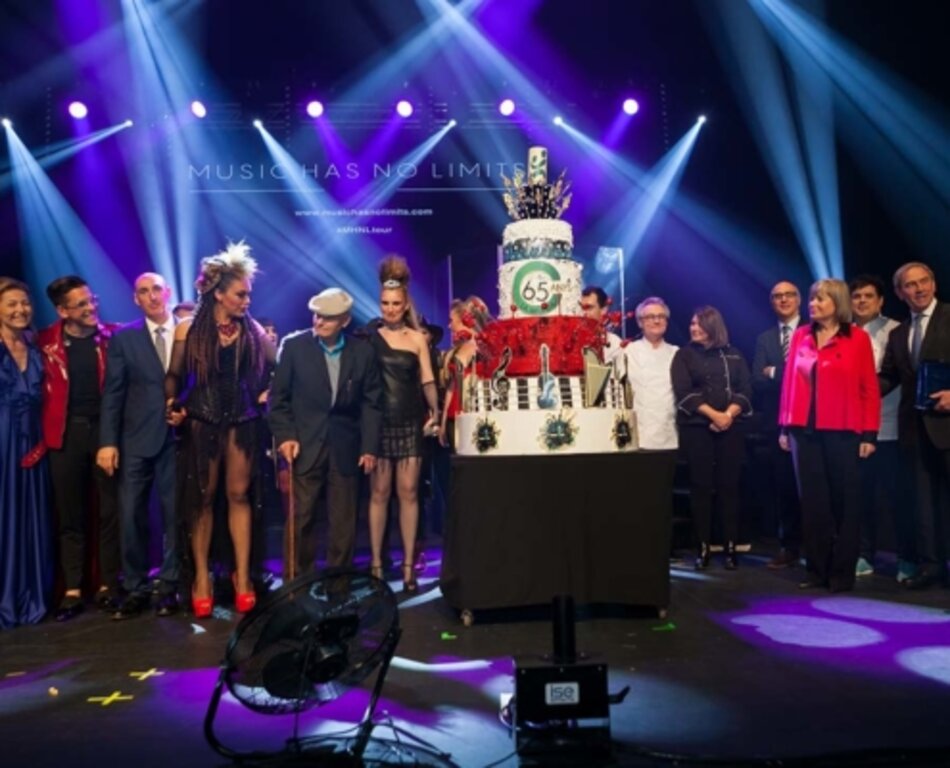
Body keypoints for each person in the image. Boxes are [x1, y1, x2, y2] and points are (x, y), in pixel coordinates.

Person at [165, 243, 275, 617]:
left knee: (239, 495)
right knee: (203, 498)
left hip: (242, 421)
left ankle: (242, 577)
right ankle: (201, 578)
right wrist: (172, 404)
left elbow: (277, 369)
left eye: (248, 294)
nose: (247, 300)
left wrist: (269, 391)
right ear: (219, 294)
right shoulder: (189, 330)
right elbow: (174, 375)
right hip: (202, 420)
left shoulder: (252, 330)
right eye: (241, 294)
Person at [268, 288, 382, 578]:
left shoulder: (362, 352)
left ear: (345, 320)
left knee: (343, 522)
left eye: (327, 318)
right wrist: (286, 436)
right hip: (304, 443)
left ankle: (338, 585)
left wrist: (369, 447)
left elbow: (371, 403)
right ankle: (298, 585)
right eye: (317, 315)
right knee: (301, 517)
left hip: (345, 446)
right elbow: (278, 399)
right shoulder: (294, 347)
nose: (319, 321)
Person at [779, 279, 880, 593]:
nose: (813, 304)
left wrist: (869, 434)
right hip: (803, 431)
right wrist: (784, 425)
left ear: (837, 303)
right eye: (812, 299)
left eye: (820, 299)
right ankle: (816, 570)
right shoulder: (801, 335)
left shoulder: (858, 338)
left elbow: (868, 388)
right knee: (812, 503)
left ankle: (841, 573)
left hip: (842, 430)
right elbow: (789, 383)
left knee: (844, 504)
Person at [38, 275, 121, 621]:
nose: (91, 308)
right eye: (81, 304)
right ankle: (72, 588)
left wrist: (111, 438)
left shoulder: (112, 338)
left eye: (92, 300)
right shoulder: (44, 342)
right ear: (62, 311)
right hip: (65, 434)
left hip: (105, 432)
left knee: (109, 511)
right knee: (70, 514)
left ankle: (107, 584)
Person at [97, 273, 180, 619]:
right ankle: (135, 586)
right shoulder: (124, 338)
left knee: (176, 514)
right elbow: (113, 392)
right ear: (136, 299)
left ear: (168, 292)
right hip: (134, 439)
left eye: (156, 289)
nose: (152, 296)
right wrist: (107, 442)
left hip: (179, 437)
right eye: (144, 291)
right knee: (131, 514)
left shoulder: (188, 332)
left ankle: (170, 585)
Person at [365, 256, 439, 592]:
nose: (390, 309)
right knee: (379, 493)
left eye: (396, 303)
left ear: (405, 303)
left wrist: (436, 412)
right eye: (385, 303)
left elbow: (427, 380)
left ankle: (409, 566)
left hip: (410, 422)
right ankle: (377, 565)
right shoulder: (370, 337)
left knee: (408, 493)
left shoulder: (417, 338)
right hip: (380, 423)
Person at [879, 262, 950, 590]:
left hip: (948, 426)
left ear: (934, 284)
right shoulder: (899, 333)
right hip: (914, 430)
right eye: (911, 284)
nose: (919, 289)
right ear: (899, 292)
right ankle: (931, 566)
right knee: (922, 502)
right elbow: (888, 378)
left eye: (924, 282)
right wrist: (851, 389)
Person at [671, 306, 753, 570]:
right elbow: (684, 393)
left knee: (730, 487)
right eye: (692, 324)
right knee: (701, 487)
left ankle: (730, 547)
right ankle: (703, 547)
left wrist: (727, 415)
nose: (693, 328)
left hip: (731, 427)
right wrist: (714, 416)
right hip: (697, 428)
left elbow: (745, 389)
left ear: (713, 326)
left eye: (699, 324)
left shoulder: (734, 354)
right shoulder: (684, 355)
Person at [0, 278, 52, 628]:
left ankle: (30, 596)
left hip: (33, 441)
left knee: (31, 517)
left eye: (25, 303)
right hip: (2, 441)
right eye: (11, 304)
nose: (20, 310)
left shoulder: (36, 346)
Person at [849, 274, 908, 580]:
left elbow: (894, 376)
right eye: (856, 296)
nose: (862, 301)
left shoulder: (896, 330)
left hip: (890, 425)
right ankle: (863, 554)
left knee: (897, 496)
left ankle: (906, 557)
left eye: (868, 296)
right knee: (860, 496)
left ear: (881, 300)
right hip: (852, 428)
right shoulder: (842, 332)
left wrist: (859, 390)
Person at [751, 281, 804, 569]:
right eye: (777, 296)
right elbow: (757, 380)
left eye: (788, 295)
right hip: (776, 423)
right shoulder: (765, 338)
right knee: (784, 487)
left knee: (816, 487)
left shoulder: (812, 331)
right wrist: (790, 375)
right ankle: (789, 546)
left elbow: (814, 376)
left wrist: (775, 372)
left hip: (812, 421)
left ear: (799, 299)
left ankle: (821, 544)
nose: (783, 300)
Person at [624, 297, 678, 451]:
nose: (656, 321)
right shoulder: (629, 351)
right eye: (650, 317)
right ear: (640, 322)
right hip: (639, 430)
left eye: (661, 316)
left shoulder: (676, 353)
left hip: (667, 431)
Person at [440, 297, 492, 446]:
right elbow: (451, 387)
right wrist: (443, 420)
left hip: (475, 412)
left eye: (451, 320)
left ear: (464, 319)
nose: (449, 325)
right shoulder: (456, 350)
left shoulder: (482, 347)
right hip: (454, 414)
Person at [580, 286, 624, 365]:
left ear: (603, 310)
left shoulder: (615, 343)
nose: (583, 313)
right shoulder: (571, 342)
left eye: (589, 308)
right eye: (581, 308)